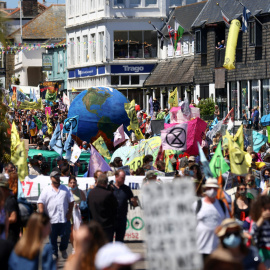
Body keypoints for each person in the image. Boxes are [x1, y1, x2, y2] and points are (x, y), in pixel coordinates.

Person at [37, 171, 74, 260]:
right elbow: (40, 202)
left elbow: (71, 201)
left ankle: (63, 249)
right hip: (51, 219)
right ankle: (54, 253)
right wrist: (42, 214)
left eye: (58, 175)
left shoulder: (65, 189)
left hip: (64, 219)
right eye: (55, 176)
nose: (57, 177)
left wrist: (69, 213)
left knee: (66, 235)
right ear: (51, 178)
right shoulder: (46, 190)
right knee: (52, 238)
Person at [193, 178, 230, 260]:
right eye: (209, 188)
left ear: (217, 189)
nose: (212, 190)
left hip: (217, 250)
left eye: (214, 188)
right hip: (199, 249)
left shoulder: (222, 205)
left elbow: (227, 224)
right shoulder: (197, 205)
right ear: (205, 189)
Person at [87, 174, 118, 242]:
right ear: (106, 183)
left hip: (94, 225)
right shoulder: (108, 194)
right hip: (107, 226)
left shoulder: (91, 193)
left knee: (96, 248)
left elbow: (88, 205)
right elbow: (115, 207)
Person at [112, 170, 138, 242]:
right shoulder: (110, 188)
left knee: (119, 241)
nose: (124, 180)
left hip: (122, 219)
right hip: (111, 219)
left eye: (124, 178)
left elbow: (134, 204)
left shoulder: (127, 189)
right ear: (116, 177)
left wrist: (134, 201)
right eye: (122, 178)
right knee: (108, 241)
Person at [250, 195, 270, 268]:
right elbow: (252, 234)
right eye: (265, 208)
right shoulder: (257, 221)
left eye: (269, 208)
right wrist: (262, 218)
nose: (268, 211)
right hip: (263, 256)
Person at [68, 176, 86, 251]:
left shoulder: (80, 191)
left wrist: (78, 204)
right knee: (71, 232)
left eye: (74, 182)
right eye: (71, 183)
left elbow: (84, 202)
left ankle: (77, 248)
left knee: (77, 231)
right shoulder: (67, 192)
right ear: (68, 184)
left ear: (76, 183)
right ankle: (73, 246)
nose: (73, 184)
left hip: (78, 214)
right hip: (69, 213)